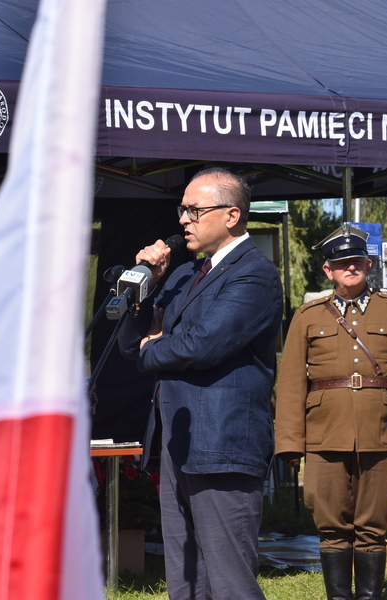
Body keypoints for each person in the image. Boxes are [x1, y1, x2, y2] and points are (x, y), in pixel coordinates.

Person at [119, 167, 282, 600]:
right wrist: (145, 284)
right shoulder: (180, 276)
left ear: (232, 215)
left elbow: (203, 344)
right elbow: (130, 346)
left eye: (194, 209)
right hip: (178, 441)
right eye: (183, 209)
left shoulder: (255, 274)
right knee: (186, 581)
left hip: (224, 445)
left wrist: (155, 347)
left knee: (230, 583)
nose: (183, 219)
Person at [274, 224, 387, 600]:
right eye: (341, 262)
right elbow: (292, 382)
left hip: (380, 432)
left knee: (372, 526)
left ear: (368, 264)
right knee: (331, 526)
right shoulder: (308, 316)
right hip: (324, 435)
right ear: (327, 270)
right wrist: (290, 442)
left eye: (357, 261)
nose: (351, 267)